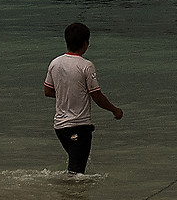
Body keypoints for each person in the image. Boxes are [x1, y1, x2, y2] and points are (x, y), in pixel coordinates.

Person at [42, 21, 122, 175]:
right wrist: (115, 110)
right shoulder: (86, 65)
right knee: (77, 173)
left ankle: (70, 197)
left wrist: (68, 94)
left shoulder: (55, 63)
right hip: (79, 125)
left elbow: (48, 91)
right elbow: (96, 96)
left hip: (59, 127)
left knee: (75, 167)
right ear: (86, 43)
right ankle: (71, 198)